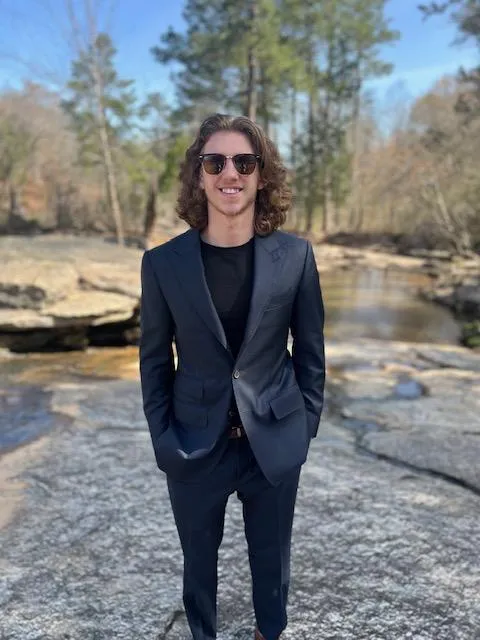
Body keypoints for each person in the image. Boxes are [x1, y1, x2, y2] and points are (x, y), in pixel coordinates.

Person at [139, 113, 325, 640]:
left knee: (273, 563)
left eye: (244, 162)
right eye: (215, 162)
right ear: (199, 176)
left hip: (274, 439)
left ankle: (271, 633)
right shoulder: (162, 264)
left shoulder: (296, 257)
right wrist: (163, 436)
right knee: (198, 568)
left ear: (262, 176)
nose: (230, 173)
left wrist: (304, 426)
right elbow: (154, 360)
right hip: (193, 442)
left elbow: (311, 352)